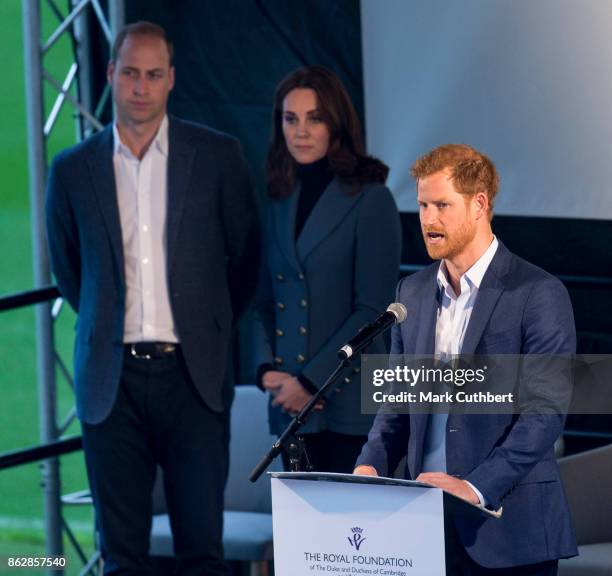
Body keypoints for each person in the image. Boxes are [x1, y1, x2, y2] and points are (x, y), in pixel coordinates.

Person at [45, 21, 260, 575]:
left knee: (202, 555)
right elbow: (73, 276)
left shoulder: (217, 157)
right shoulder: (71, 170)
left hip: (193, 379)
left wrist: (206, 326)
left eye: (154, 75)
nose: (141, 86)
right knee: (121, 557)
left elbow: (246, 263)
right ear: (112, 74)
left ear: (171, 80)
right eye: (131, 73)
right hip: (108, 386)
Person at [354, 144, 577, 574]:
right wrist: (371, 464)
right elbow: (397, 404)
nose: (428, 219)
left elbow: (544, 415)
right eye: (421, 205)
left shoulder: (537, 293)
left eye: (441, 205)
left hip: (509, 529)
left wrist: (473, 488)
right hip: (424, 528)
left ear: (479, 205)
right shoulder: (411, 294)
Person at [253, 65, 402, 473]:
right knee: (302, 537)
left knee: (358, 536)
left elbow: (373, 311)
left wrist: (311, 382)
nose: (300, 131)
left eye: (314, 118)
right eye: (290, 119)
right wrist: (267, 369)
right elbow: (264, 300)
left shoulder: (372, 200)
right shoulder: (279, 198)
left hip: (353, 410)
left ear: (335, 123)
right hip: (291, 408)